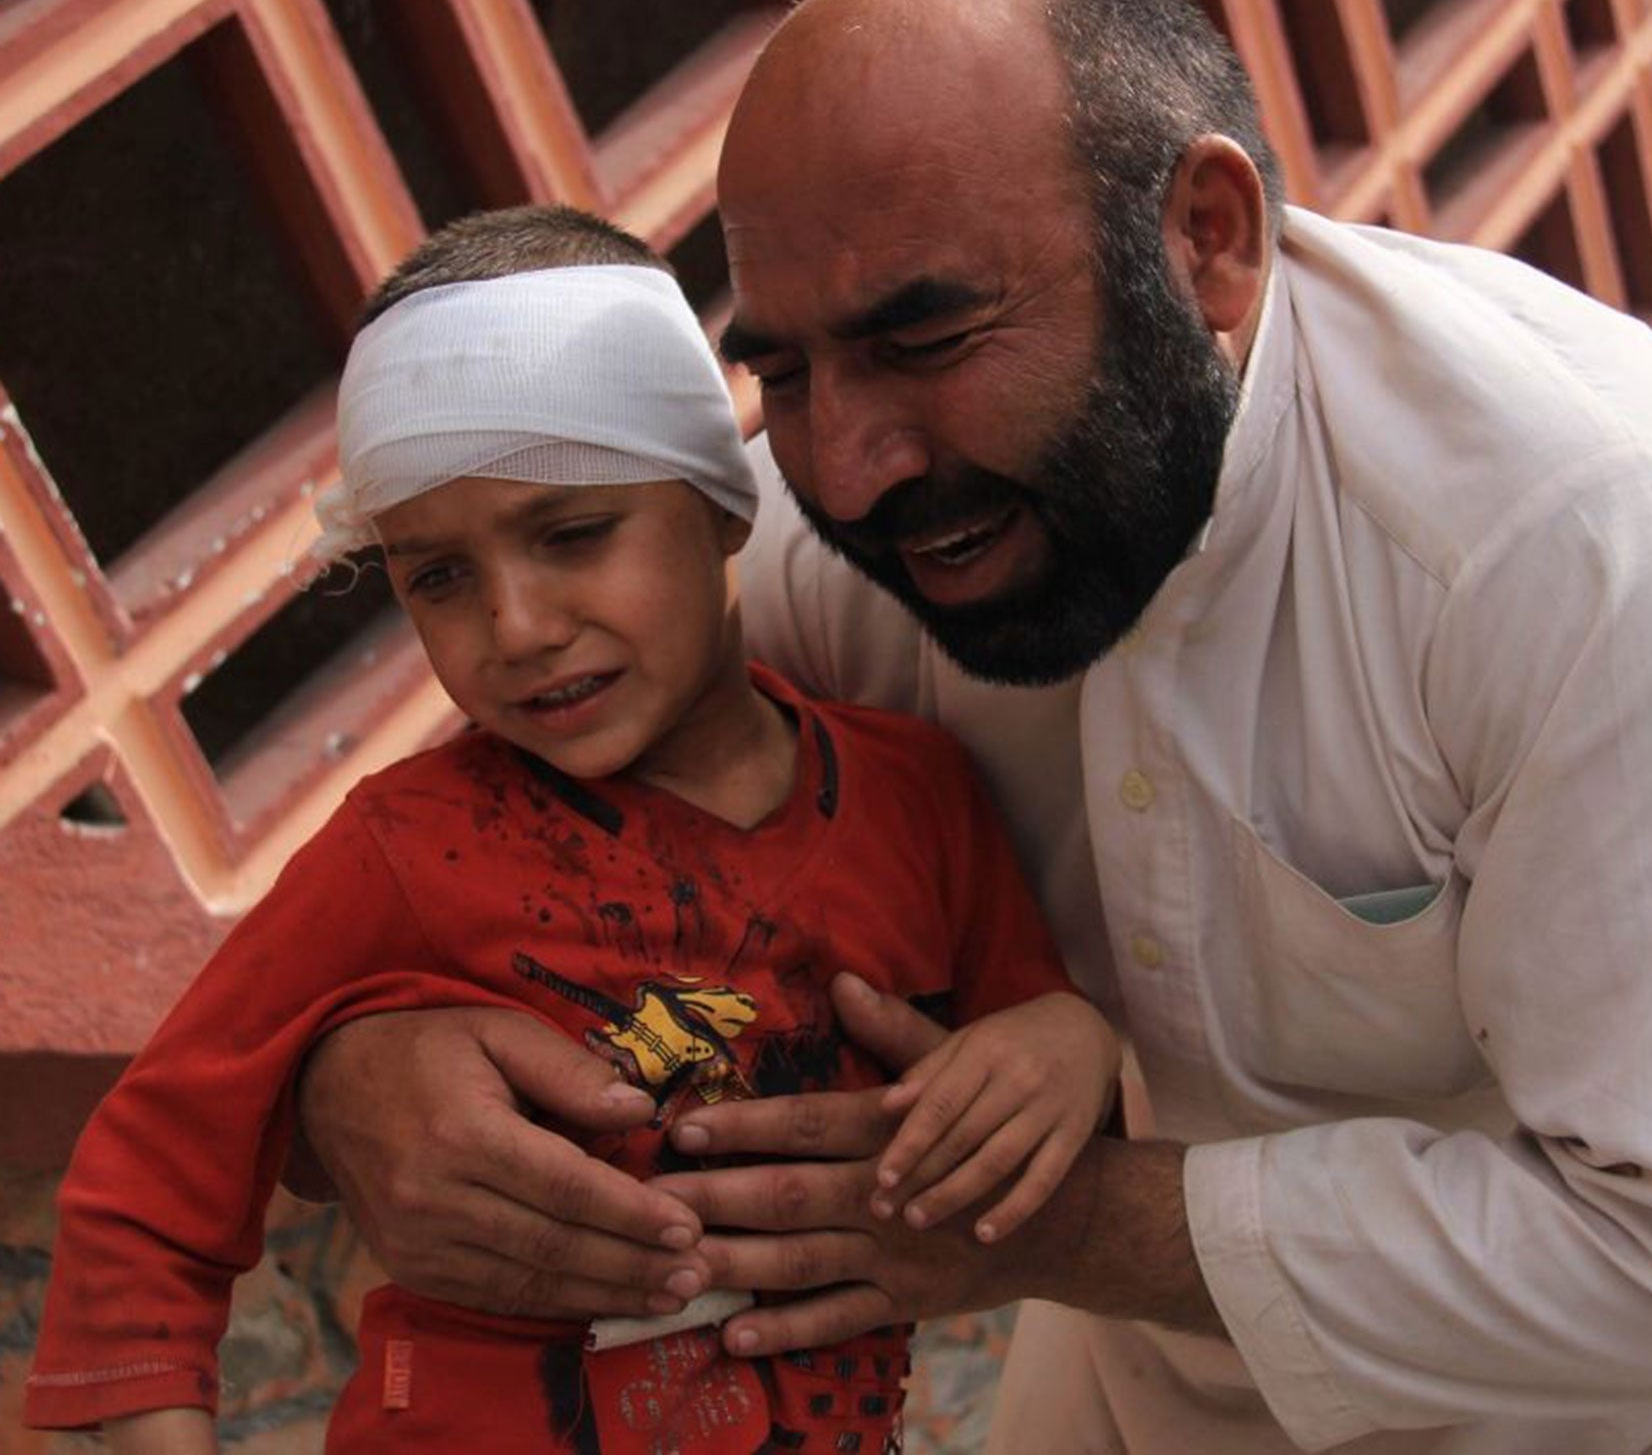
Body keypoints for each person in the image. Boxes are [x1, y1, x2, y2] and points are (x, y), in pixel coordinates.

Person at [290, 0, 1652, 1454]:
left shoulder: (1570, 535)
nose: (849, 457)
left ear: (1204, 240)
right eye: (786, 369)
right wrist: (361, 1077)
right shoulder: (852, 554)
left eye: (924, 338)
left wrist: (1032, 1233)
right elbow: (498, 854)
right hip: (1201, 1253)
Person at [23, 203, 1120, 1454]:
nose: (517, 625)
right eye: (437, 576)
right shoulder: (405, 848)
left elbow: (1031, 1023)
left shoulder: (918, 800)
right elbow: (150, 1183)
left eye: (572, 535)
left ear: (720, 504)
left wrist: (1070, 1042)